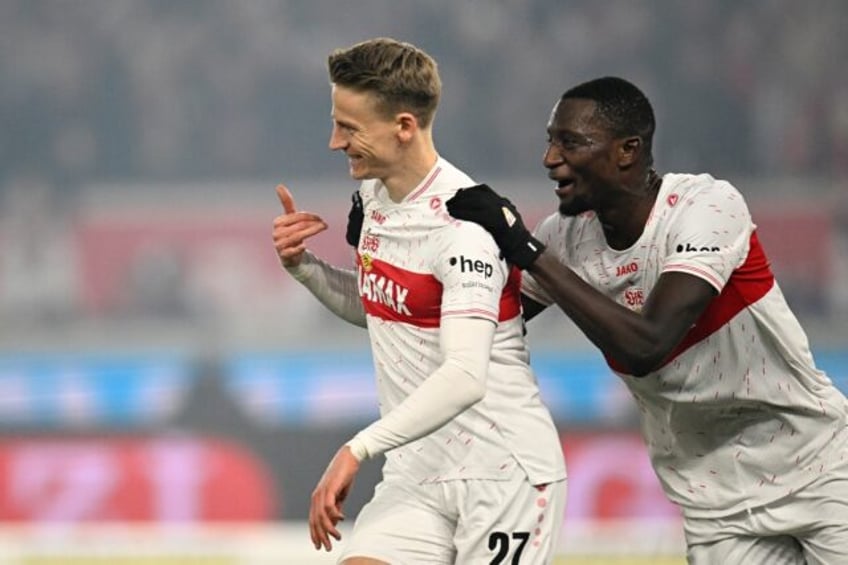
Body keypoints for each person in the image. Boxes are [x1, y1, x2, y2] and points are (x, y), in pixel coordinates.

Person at [445, 76, 848, 564]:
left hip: (822, 471)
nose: (550, 158)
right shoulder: (565, 240)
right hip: (714, 505)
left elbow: (648, 344)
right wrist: (381, 260)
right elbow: (474, 317)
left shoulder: (706, 207)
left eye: (570, 142)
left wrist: (529, 252)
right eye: (550, 141)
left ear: (627, 150)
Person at [272, 37, 566, 564]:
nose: (334, 141)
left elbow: (465, 376)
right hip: (416, 475)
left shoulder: (466, 226)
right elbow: (383, 312)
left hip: (500, 476)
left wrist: (355, 448)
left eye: (349, 127)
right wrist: (305, 269)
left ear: (404, 126)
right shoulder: (373, 198)